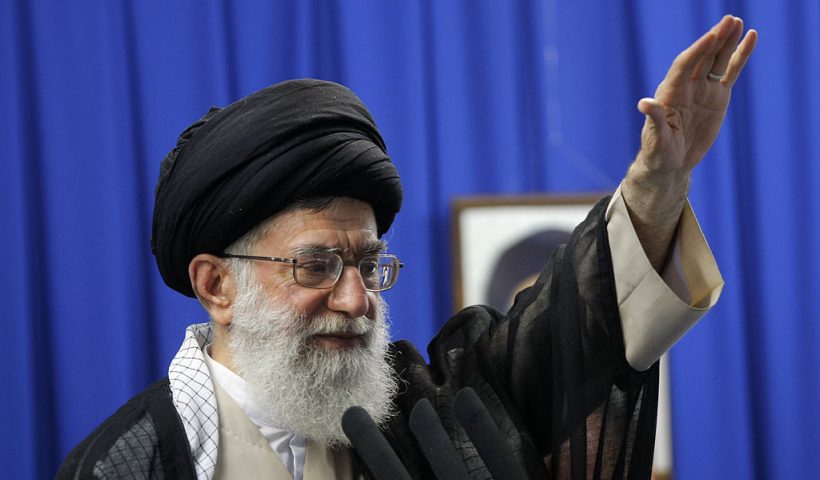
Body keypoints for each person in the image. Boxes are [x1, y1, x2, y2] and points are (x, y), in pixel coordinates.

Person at [58, 16, 757, 479]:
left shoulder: (429, 412)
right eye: (317, 265)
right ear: (216, 285)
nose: (357, 299)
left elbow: (569, 331)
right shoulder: (129, 461)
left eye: (367, 263)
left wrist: (657, 187)